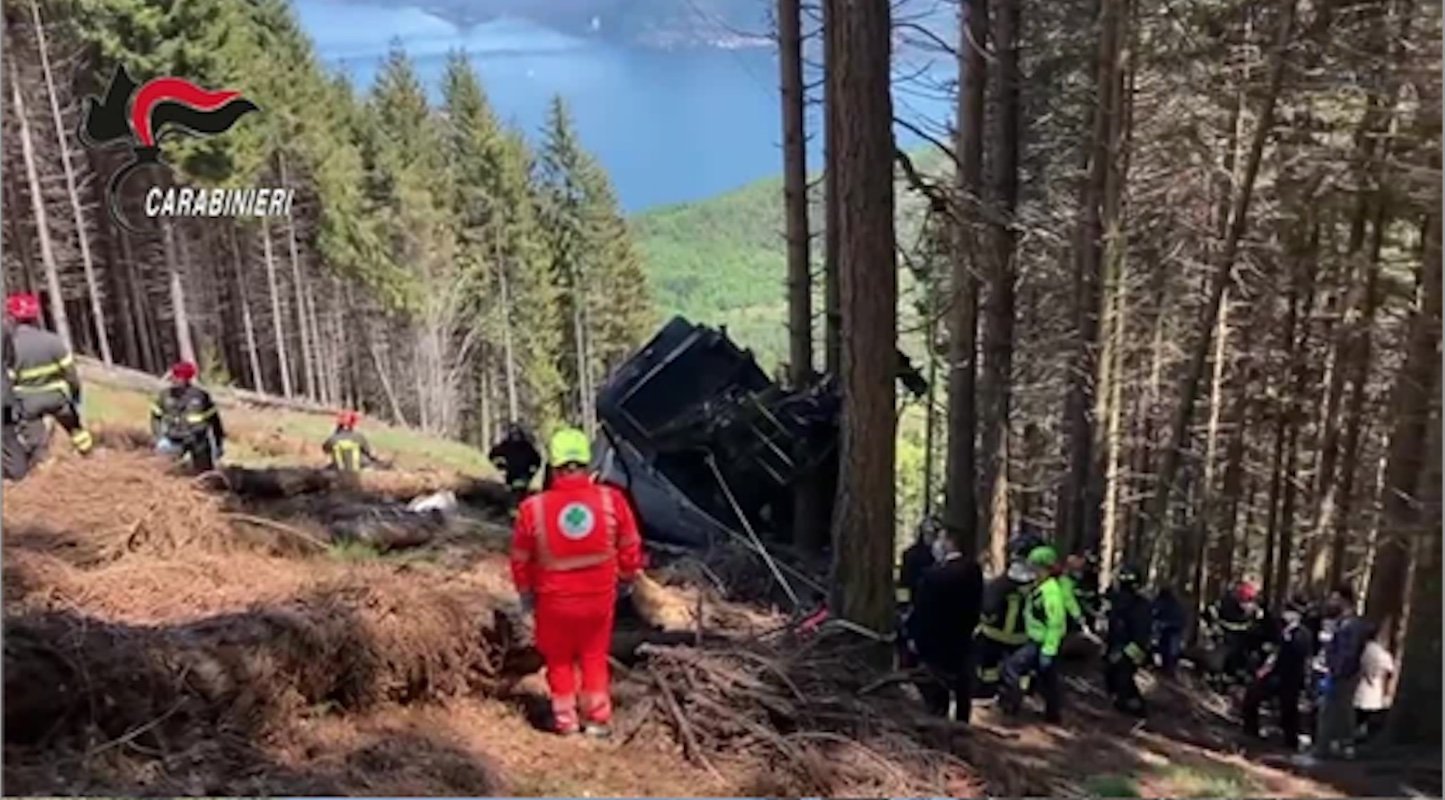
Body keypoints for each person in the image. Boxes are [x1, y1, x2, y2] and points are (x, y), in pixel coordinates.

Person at [510, 427, 643, 737]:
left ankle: (565, 719)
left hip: (553, 602)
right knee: (594, 656)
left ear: (553, 466)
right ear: (586, 463)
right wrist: (625, 579)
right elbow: (631, 546)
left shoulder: (533, 508)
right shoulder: (612, 500)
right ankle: (596, 719)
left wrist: (526, 595)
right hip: (599, 598)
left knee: (558, 659)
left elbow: (520, 559)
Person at [905, 533, 983, 722]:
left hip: (936, 640)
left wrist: (914, 636)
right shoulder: (973, 570)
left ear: (949, 543)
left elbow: (923, 611)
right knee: (962, 683)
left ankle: (939, 717)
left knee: (937, 681)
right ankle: (962, 721)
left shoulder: (933, 576)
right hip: (963, 636)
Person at [5, 293, 92, 459]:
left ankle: (42, 464)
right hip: (57, 398)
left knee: (35, 443)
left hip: (28, 404)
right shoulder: (53, 341)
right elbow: (71, 375)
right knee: (77, 430)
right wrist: (75, 396)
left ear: (12, 318)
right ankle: (89, 455)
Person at [1001, 544, 1067, 723]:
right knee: (1047, 679)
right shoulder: (1041, 586)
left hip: (1042, 642)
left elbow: (1056, 623)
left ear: (1045, 569)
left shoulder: (1051, 592)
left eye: (1035, 568)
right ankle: (1053, 715)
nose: (1033, 572)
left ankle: (1011, 706)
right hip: (1039, 641)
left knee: (1011, 668)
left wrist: (1049, 650)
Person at [1243, 596, 1314, 750]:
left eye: (1291, 611)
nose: (1286, 614)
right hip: (1274, 674)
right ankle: (1250, 731)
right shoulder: (1281, 629)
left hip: (1291, 676)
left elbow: (1298, 653)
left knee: (1289, 709)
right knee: (1252, 697)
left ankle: (1291, 741)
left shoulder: (1302, 633)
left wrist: (1286, 645)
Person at [1315, 584, 1368, 759]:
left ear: (1344, 600)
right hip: (1337, 672)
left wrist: (1336, 671)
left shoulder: (1350, 625)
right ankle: (1339, 745)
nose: (1332, 602)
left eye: (1335, 598)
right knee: (1338, 711)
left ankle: (1325, 749)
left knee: (1332, 710)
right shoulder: (1340, 622)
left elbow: (1348, 652)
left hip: (1344, 675)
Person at [973, 557, 1036, 699]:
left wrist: (983, 621)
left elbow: (988, 609)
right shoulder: (1035, 587)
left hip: (994, 635)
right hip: (1022, 637)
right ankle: (1020, 694)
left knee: (989, 668)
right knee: (1021, 669)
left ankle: (987, 692)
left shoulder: (998, 586)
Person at [149, 361, 225, 473]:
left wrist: (218, 444)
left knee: (205, 474)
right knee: (163, 468)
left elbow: (215, 421)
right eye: (174, 376)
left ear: (186, 378)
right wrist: (158, 436)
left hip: (198, 441)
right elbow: (155, 416)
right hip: (173, 440)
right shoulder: (164, 396)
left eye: (178, 376)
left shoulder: (201, 396)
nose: (174, 379)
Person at [1103, 564, 1152, 717]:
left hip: (1134, 648)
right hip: (1119, 646)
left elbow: (1141, 635)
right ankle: (1126, 704)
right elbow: (1113, 627)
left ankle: (1133, 707)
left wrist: (1125, 653)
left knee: (1123, 674)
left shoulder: (1141, 606)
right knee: (1112, 675)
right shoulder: (1117, 602)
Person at [895, 517, 941, 669]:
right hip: (915, 605)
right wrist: (904, 607)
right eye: (928, 533)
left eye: (934, 534)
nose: (931, 537)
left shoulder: (940, 557)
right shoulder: (911, 555)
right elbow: (904, 583)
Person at [1203, 580, 1267, 690]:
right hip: (1225, 640)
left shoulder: (1257, 614)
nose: (1248, 606)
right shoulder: (1225, 605)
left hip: (1243, 644)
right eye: (1245, 601)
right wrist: (1214, 628)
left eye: (1250, 602)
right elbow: (1209, 612)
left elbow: (1262, 631)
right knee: (1219, 659)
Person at [1352, 622, 1394, 745]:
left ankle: (1357, 735)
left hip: (1361, 685)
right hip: (1375, 686)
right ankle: (1363, 735)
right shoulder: (1381, 652)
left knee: (1359, 712)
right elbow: (1390, 669)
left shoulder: (1363, 649)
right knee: (1369, 712)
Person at [490, 423, 543, 502]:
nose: (515, 437)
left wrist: (531, 472)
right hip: (513, 477)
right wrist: (500, 466)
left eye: (516, 434)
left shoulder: (526, 446)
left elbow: (537, 460)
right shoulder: (506, 445)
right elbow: (492, 456)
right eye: (514, 434)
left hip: (522, 477)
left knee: (519, 496)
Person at [323, 410, 388, 472]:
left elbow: (325, 450)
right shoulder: (359, 437)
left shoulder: (332, 439)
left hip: (339, 467)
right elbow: (371, 453)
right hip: (360, 466)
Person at [1152, 586, 1187, 677]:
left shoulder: (1162, 602)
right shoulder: (1176, 604)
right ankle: (1169, 669)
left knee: (1166, 651)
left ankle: (1167, 669)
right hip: (1174, 631)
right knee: (1172, 653)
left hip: (1167, 631)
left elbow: (1154, 613)